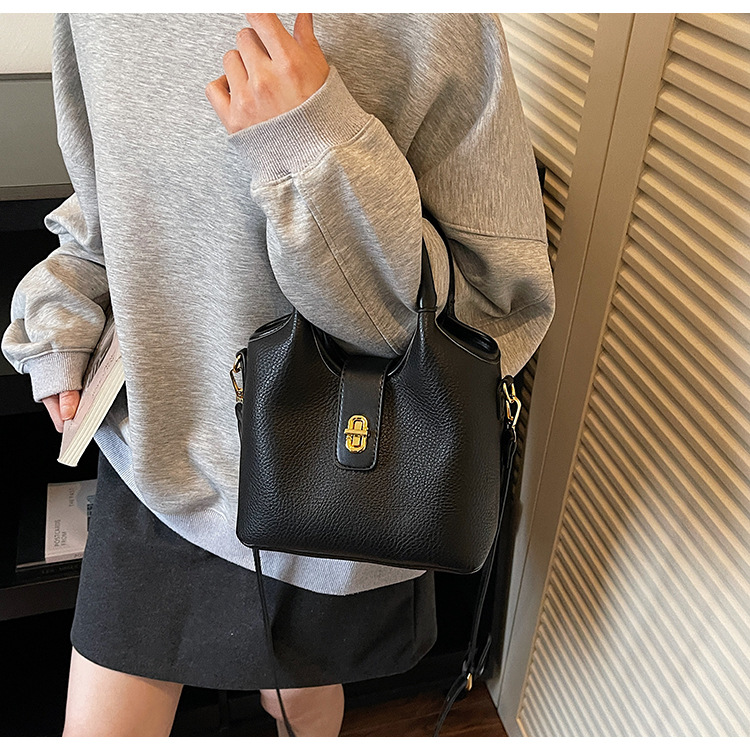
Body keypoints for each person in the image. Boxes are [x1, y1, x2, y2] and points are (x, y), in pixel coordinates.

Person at [1, 12, 554, 737]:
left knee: (299, 707)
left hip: (337, 477)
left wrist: (308, 145)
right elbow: (108, 201)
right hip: (157, 446)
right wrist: (61, 311)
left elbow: (490, 310)